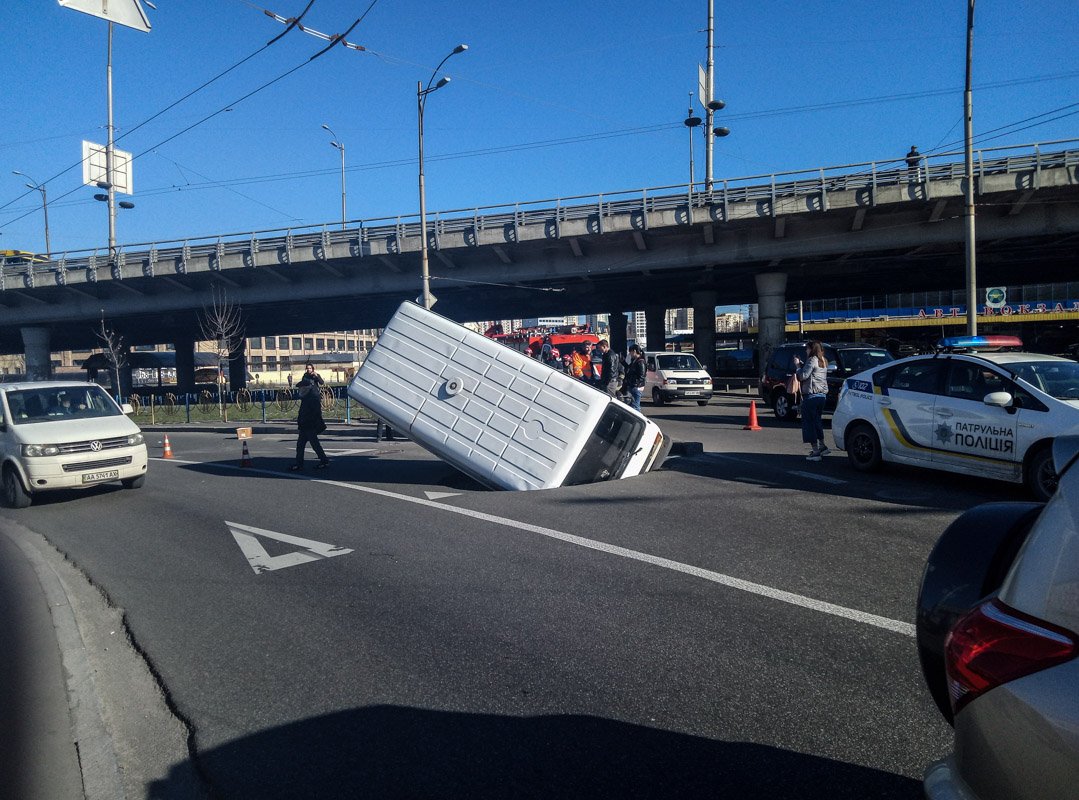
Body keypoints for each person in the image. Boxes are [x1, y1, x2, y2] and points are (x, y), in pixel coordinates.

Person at [794, 341, 831, 461]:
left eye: (807, 349)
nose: (806, 351)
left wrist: (798, 366)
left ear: (812, 349)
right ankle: (822, 445)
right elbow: (814, 373)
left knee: (809, 423)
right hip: (822, 396)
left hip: (811, 395)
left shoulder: (812, 360)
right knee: (817, 421)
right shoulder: (824, 360)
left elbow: (803, 376)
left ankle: (815, 452)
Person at [289, 369, 329, 471]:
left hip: (309, 425)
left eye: (301, 388)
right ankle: (300, 464)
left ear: (306, 388)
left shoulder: (312, 398)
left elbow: (315, 413)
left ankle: (322, 461)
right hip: (305, 426)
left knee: (312, 444)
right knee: (302, 445)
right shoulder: (306, 398)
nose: (300, 391)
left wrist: (309, 423)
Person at [621, 344, 647, 411]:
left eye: (630, 352)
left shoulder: (640, 362)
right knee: (633, 404)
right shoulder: (635, 361)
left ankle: (638, 420)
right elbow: (629, 369)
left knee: (635, 405)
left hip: (636, 386)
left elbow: (642, 376)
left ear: (634, 351)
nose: (630, 354)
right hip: (633, 385)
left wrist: (635, 384)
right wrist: (623, 362)